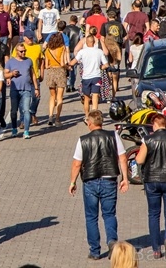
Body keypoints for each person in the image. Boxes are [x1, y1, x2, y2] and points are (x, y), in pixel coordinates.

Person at [69, 109, 129, 260]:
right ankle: (112, 241)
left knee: (91, 217)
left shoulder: (83, 140)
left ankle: (95, 251)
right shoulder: (113, 136)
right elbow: (122, 158)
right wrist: (125, 178)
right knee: (109, 214)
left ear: (90, 123)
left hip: (90, 181)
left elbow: (77, 164)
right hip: (109, 180)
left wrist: (72, 182)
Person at [134, 113, 166, 261]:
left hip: (152, 180)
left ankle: (156, 248)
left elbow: (140, 159)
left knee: (154, 214)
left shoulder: (148, 139)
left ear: (155, 125)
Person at [70, 34, 109, 121]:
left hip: (86, 77)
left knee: (86, 98)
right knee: (95, 96)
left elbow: (73, 62)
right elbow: (106, 65)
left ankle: (87, 116)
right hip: (97, 77)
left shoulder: (82, 52)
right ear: (94, 42)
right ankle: (94, 116)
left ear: (86, 43)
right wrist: (100, 67)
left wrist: (67, 65)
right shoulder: (99, 51)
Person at [42, 32, 68, 127]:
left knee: (52, 96)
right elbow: (62, 63)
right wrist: (68, 67)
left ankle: (50, 116)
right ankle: (57, 119)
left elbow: (46, 65)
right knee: (60, 97)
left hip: (51, 72)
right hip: (60, 72)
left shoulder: (47, 50)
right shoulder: (62, 48)